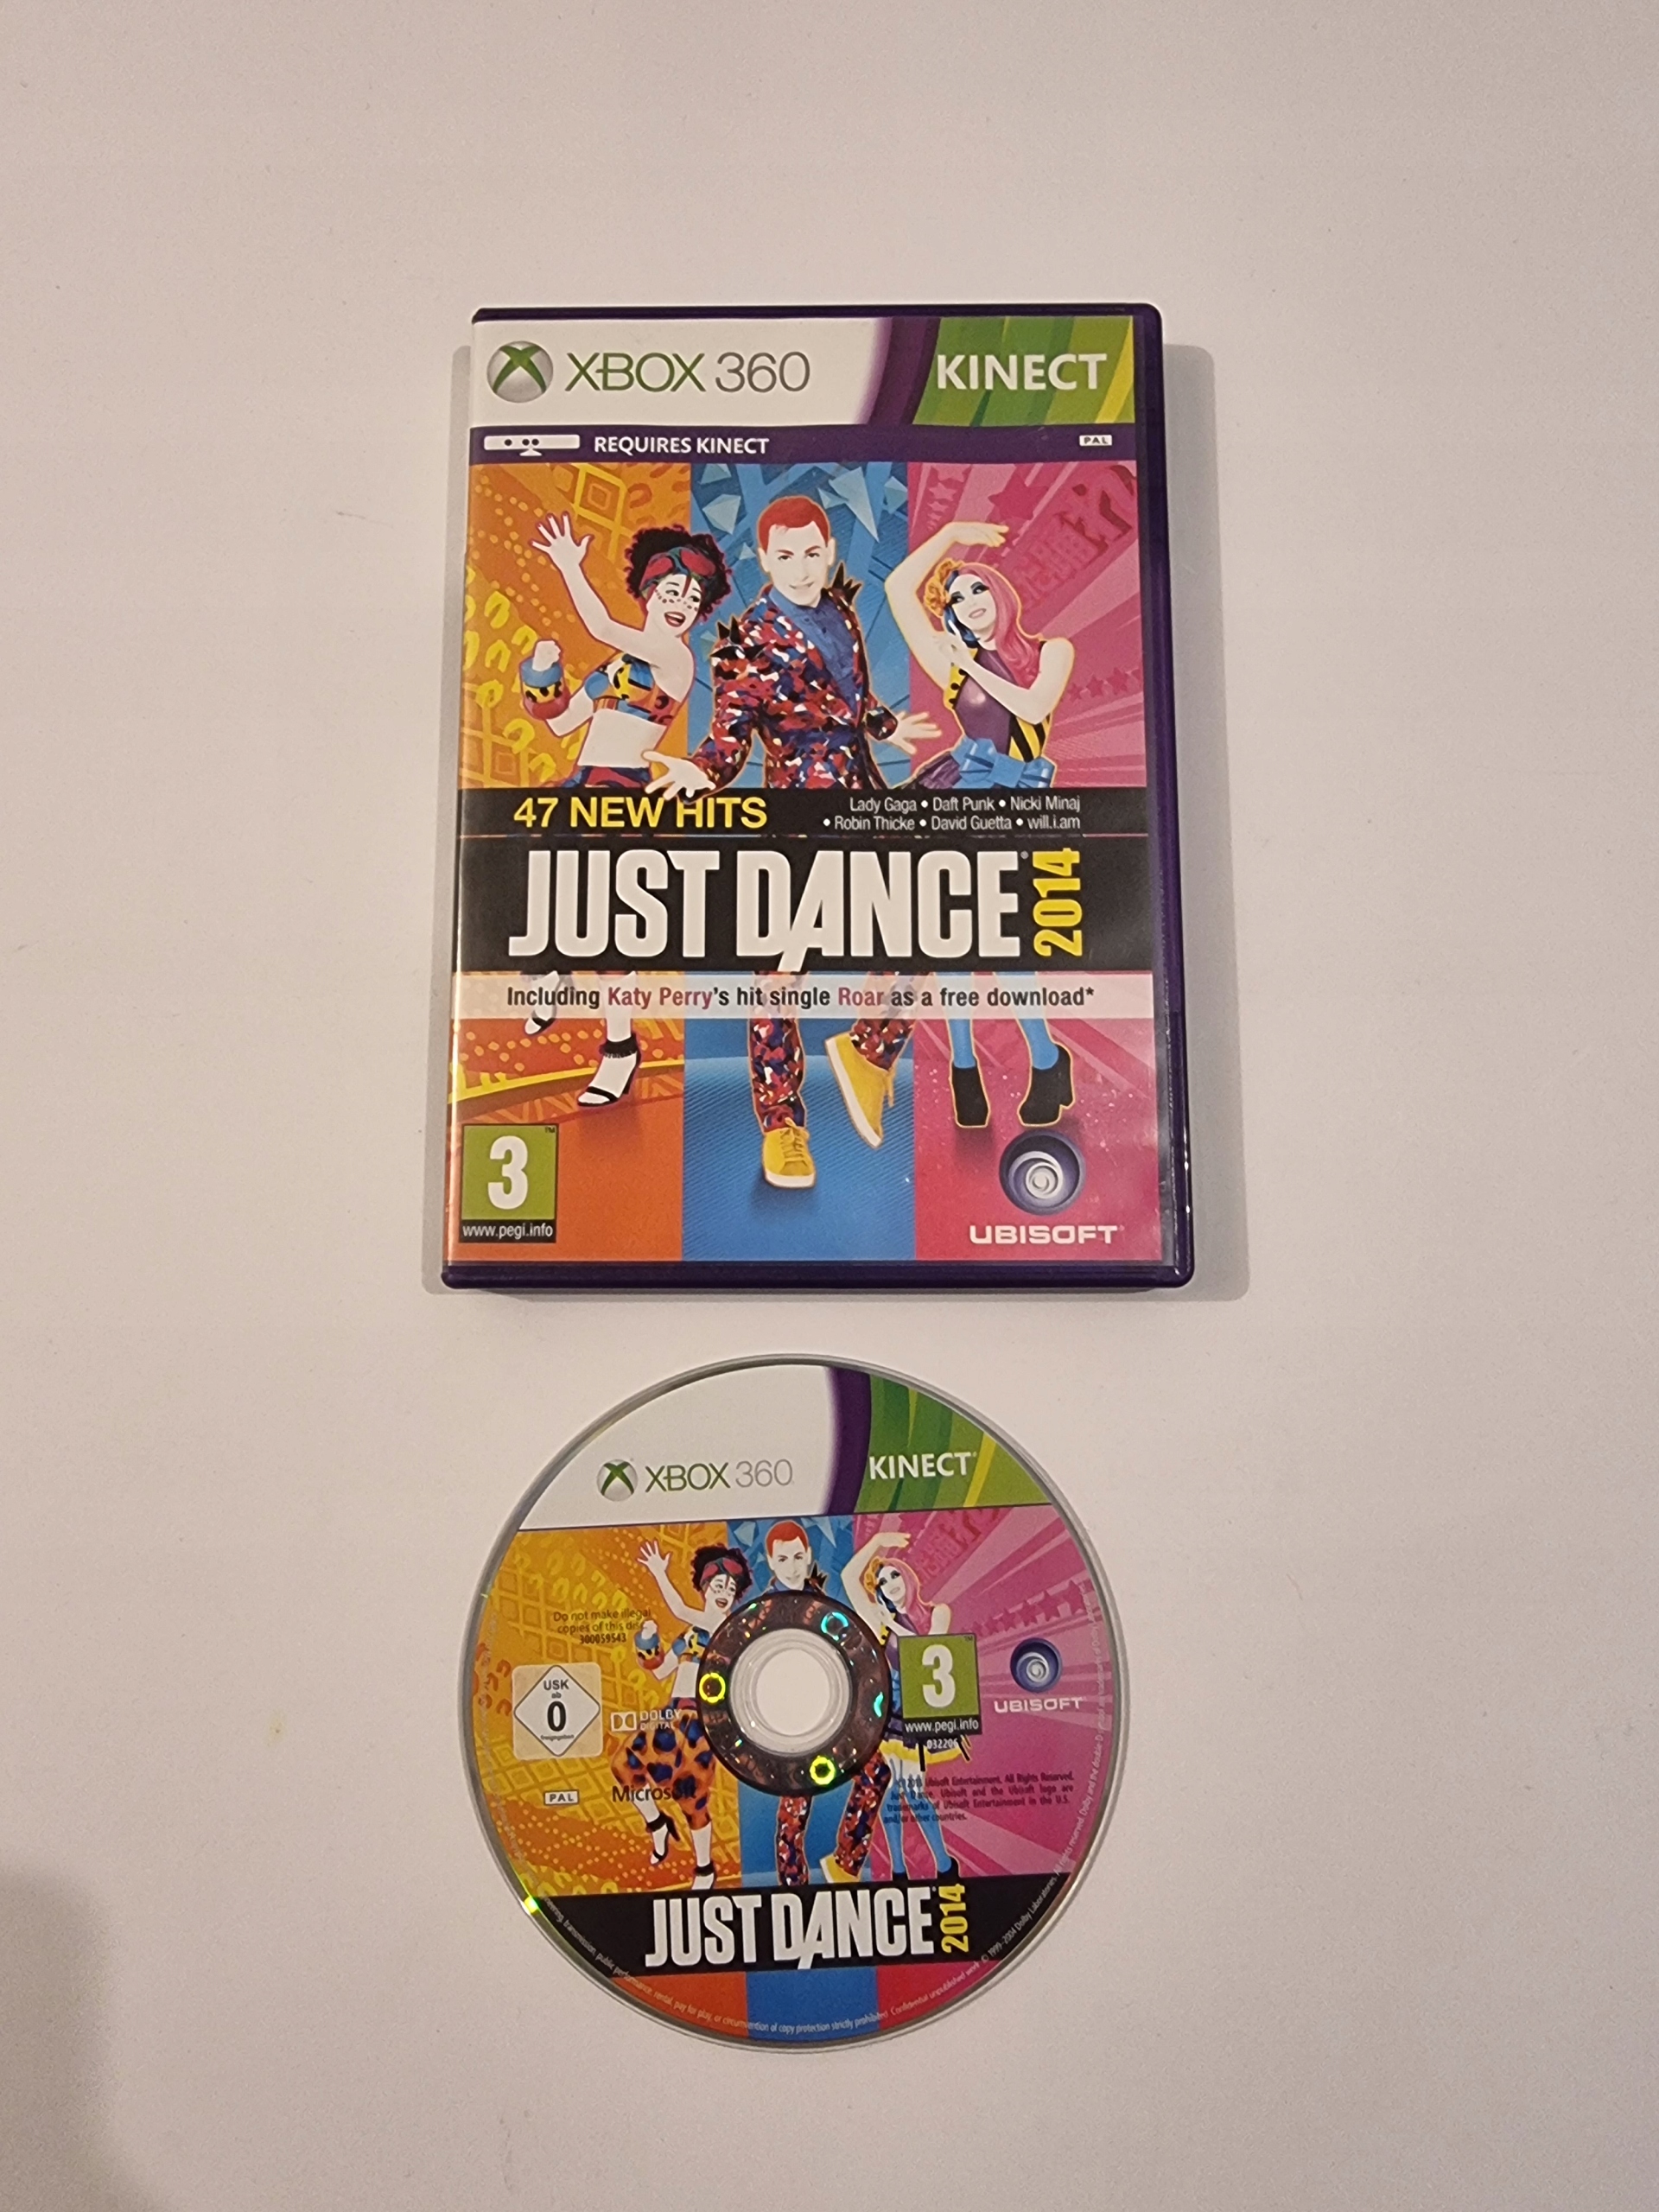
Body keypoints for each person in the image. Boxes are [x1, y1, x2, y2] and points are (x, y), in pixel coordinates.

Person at [649, 496, 939, 1190]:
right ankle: (782, 1126)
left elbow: (850, 695)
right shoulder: (746, 643)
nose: (802, 568)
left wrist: (883, 726)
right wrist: (702, 771)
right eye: (785, 556)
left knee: (927, 930)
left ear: (830, 551)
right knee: (782, 974)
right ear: (764, 560)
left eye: (812, 553)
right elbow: (728, 737)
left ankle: (867, 1053)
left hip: (866, 802)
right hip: (799, 823)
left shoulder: (840, 611)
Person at [516, 518, 732, 1104]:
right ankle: (550, 974)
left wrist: (569, 566)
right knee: (541, 894)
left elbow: (600, 624)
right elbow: (561, 722)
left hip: (623, 799)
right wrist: (543, 670)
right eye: (672, 591)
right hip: (578, 790)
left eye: (693, 598)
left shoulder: (674, 660)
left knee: (611, 933)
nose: (682, 604)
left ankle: (619, 1048)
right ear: (649, 592)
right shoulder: (616, 666)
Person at [886, 520, 1078, 1129]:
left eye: (977, 589)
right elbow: (897, 590)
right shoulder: (953, 660)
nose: (968, 602)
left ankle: (1046, 1060)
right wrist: (950, 532)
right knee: (952, 937)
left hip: (1017, 799)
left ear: (1000, 593)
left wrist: (972, 663)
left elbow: (1034, 707)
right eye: (956, 598)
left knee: (1005, 939)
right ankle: (963, 1067)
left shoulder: (1051, 650)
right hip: (959, 790)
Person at [758, 1521, 893, 1888]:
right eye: (782, 1559)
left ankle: (845, 1864)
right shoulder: (764, 1611)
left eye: (797, 1557)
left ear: (808, 1556)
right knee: (795, 1806)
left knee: (876, 1773)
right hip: (788, 1726)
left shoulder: (822, 1602)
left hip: (836, 1715)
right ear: (770, 1562)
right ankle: (793, 1885)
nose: (791, 1566)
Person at [612, 1541, 752, 1891]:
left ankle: (704, 1870)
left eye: (730, 1588)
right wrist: (648, 1641)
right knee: (624, 1766)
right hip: (670, 1717)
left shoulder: (733, 1633)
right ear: (705, 1588)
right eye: (718, 1585)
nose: (724, 1593)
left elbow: (678, 1608)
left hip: (701, 1727)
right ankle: (657, 1824)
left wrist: (660, 1574)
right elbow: (661, 1671)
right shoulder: (692, 1634)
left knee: (691, 1797)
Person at [841, 1530, 958, 1884]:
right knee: (893, 1788)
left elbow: (925, 1652)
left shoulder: (937, 1612)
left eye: (894, 1575)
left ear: (907, 1576)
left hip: (920, 1713)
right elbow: (848, 1577)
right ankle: (898, 1869)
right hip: (889, 1715)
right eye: (881, 1582)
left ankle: (943, 1863)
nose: (889, 1583)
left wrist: (892, 1622)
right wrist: (877, 1541)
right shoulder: (880, 1620)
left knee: (913, 1789)